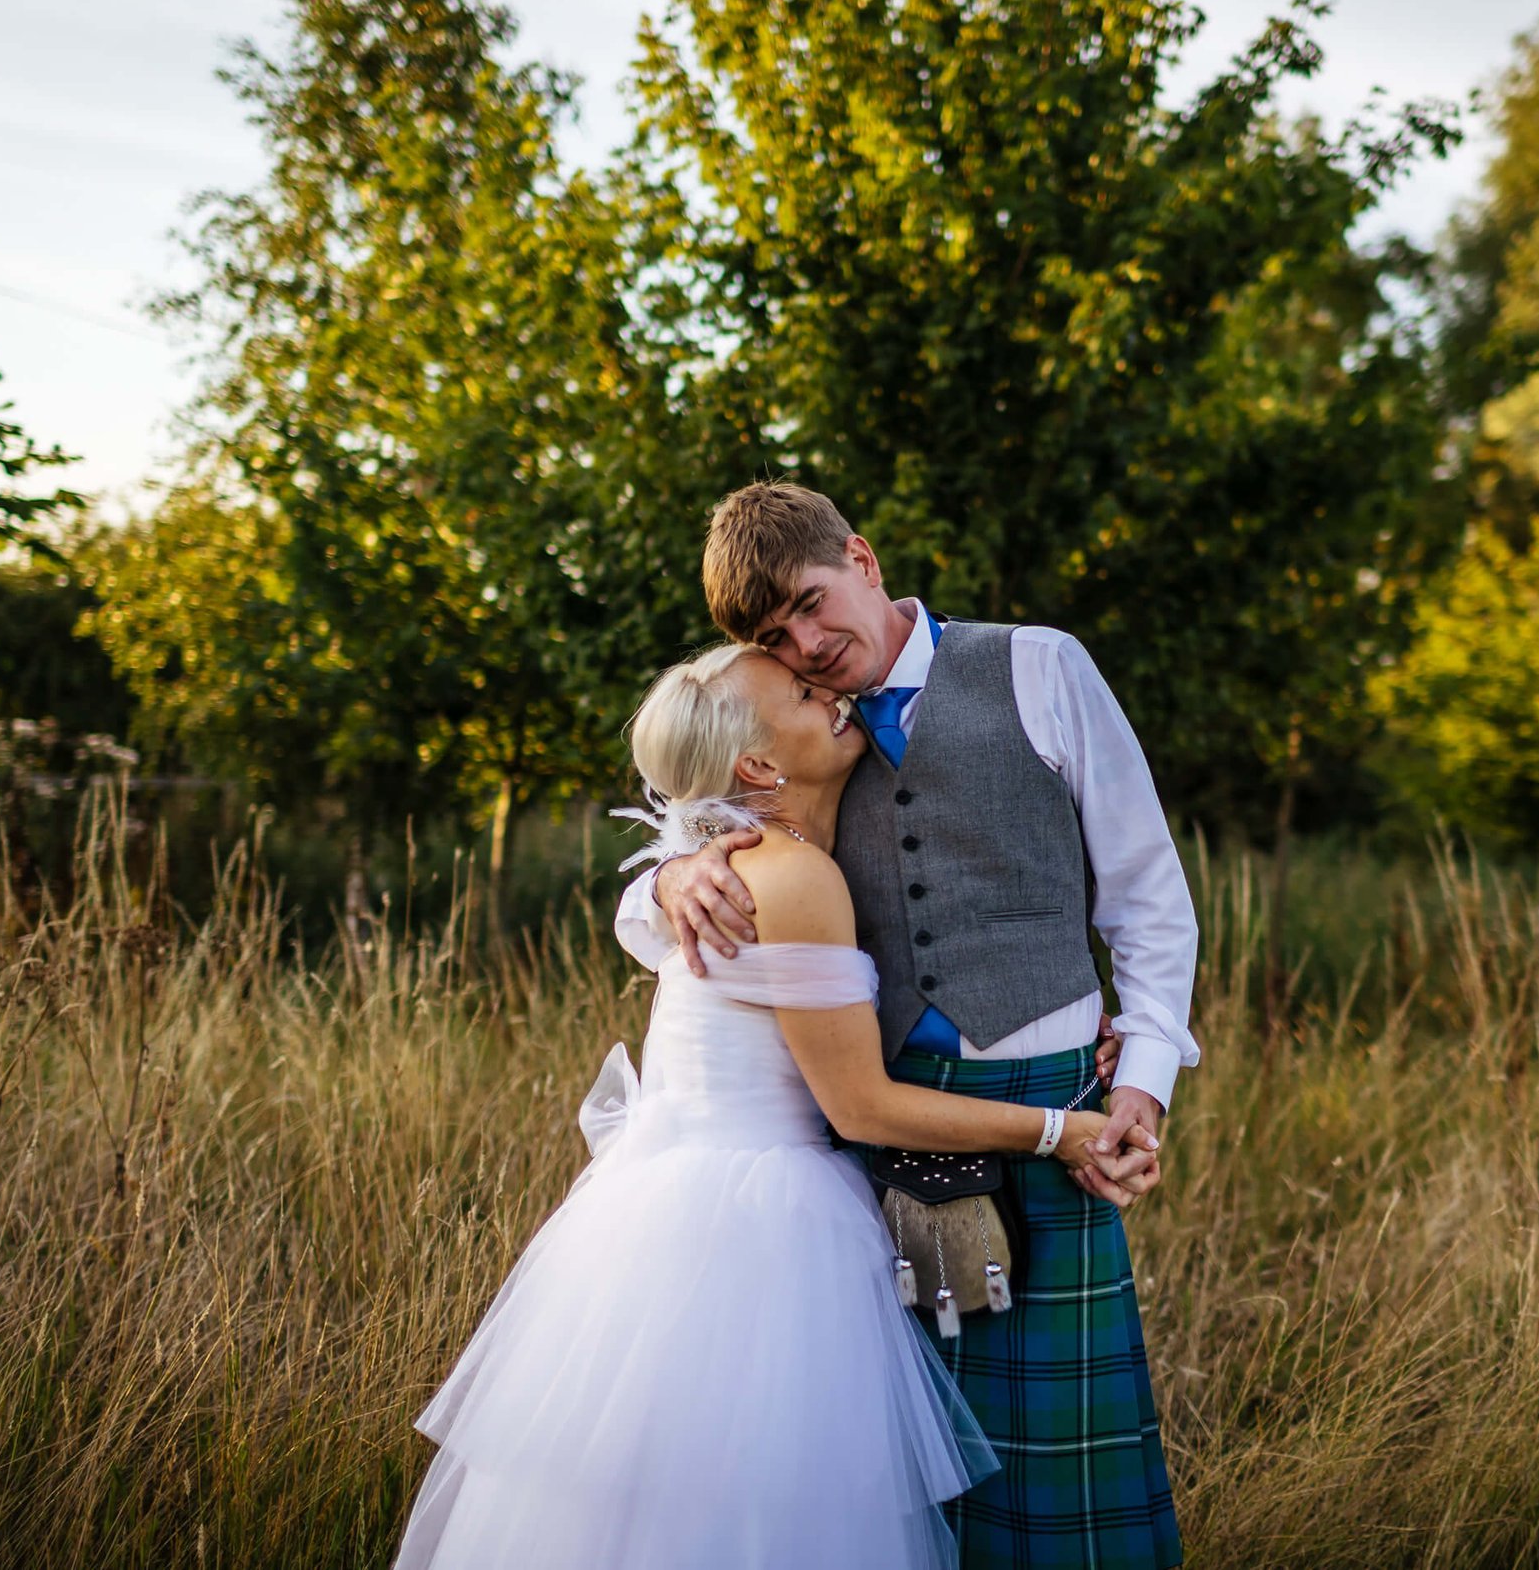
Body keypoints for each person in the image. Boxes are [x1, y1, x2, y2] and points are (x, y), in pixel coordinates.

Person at [396, 643, 1151, 1569]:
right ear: (756, 764)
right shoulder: (787, 874)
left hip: (678, 1209)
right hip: (759, 1233)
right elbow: (863, 1106)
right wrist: (1060, 1130)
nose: (832, 692)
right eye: (802, 691)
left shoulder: (735, 861)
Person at [620, 482, 1196, 1570]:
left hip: (1048, 1100)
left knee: (1063, 1484)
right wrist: (672, 878)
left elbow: (1147, 894)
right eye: (772, 637)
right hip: (866, 1133)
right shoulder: (782, 738)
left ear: (863, 557)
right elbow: (677, 885)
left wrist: (1145, 1072)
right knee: (897, 1479)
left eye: (809, 603)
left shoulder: (1041, 665)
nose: (805, 644)